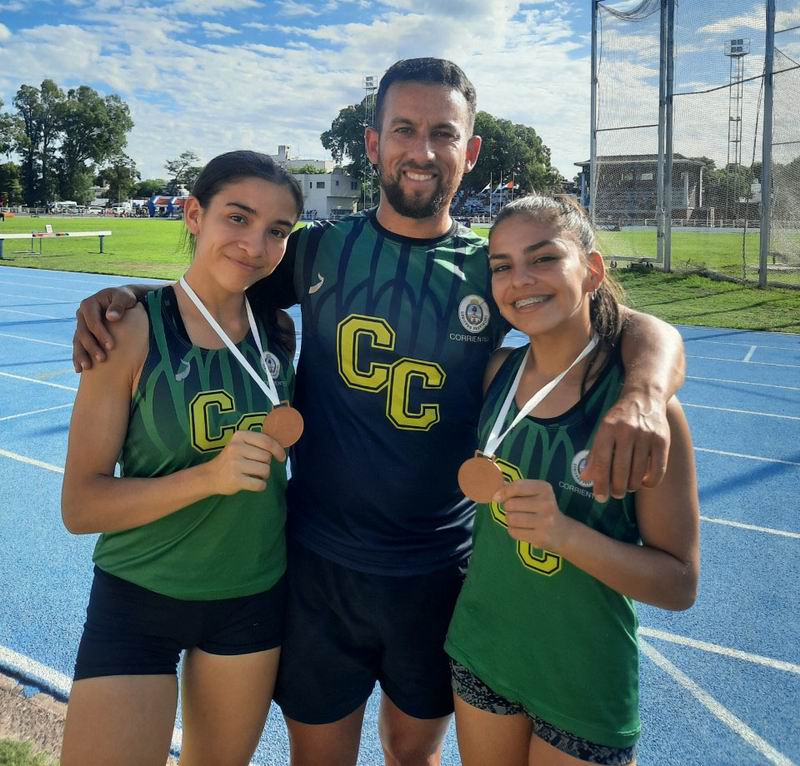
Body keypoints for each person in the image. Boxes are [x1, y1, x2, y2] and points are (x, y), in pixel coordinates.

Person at [71, 59, 686, 766]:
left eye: (442, 133)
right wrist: (125, 298)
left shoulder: (493, 265)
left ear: (470, 151)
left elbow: (624, 323)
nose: (421, 150)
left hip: (437, 567)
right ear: (372, 144)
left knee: (412, 755)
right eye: (403, 130)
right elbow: (217, 279)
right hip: (318, 561)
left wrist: (645, 389)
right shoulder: (317, 248)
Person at [60, 150, 304, 766]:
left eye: (277, 230)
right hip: (140, 596)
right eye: (238, 218)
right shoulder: (126, 330)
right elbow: (80, 505)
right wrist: (209, 478)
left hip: (252, 597)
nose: (256, 244)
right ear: (195, 215)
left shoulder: (278, 332)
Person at [446, 195, 700, 766]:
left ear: (591, 270)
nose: (520, 279)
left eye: (543, 258)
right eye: (503, 266)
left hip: (583, 680)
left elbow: (679, 584)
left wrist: (565, 535)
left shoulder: (643, 413)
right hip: (481, 652)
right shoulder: (496, 373)